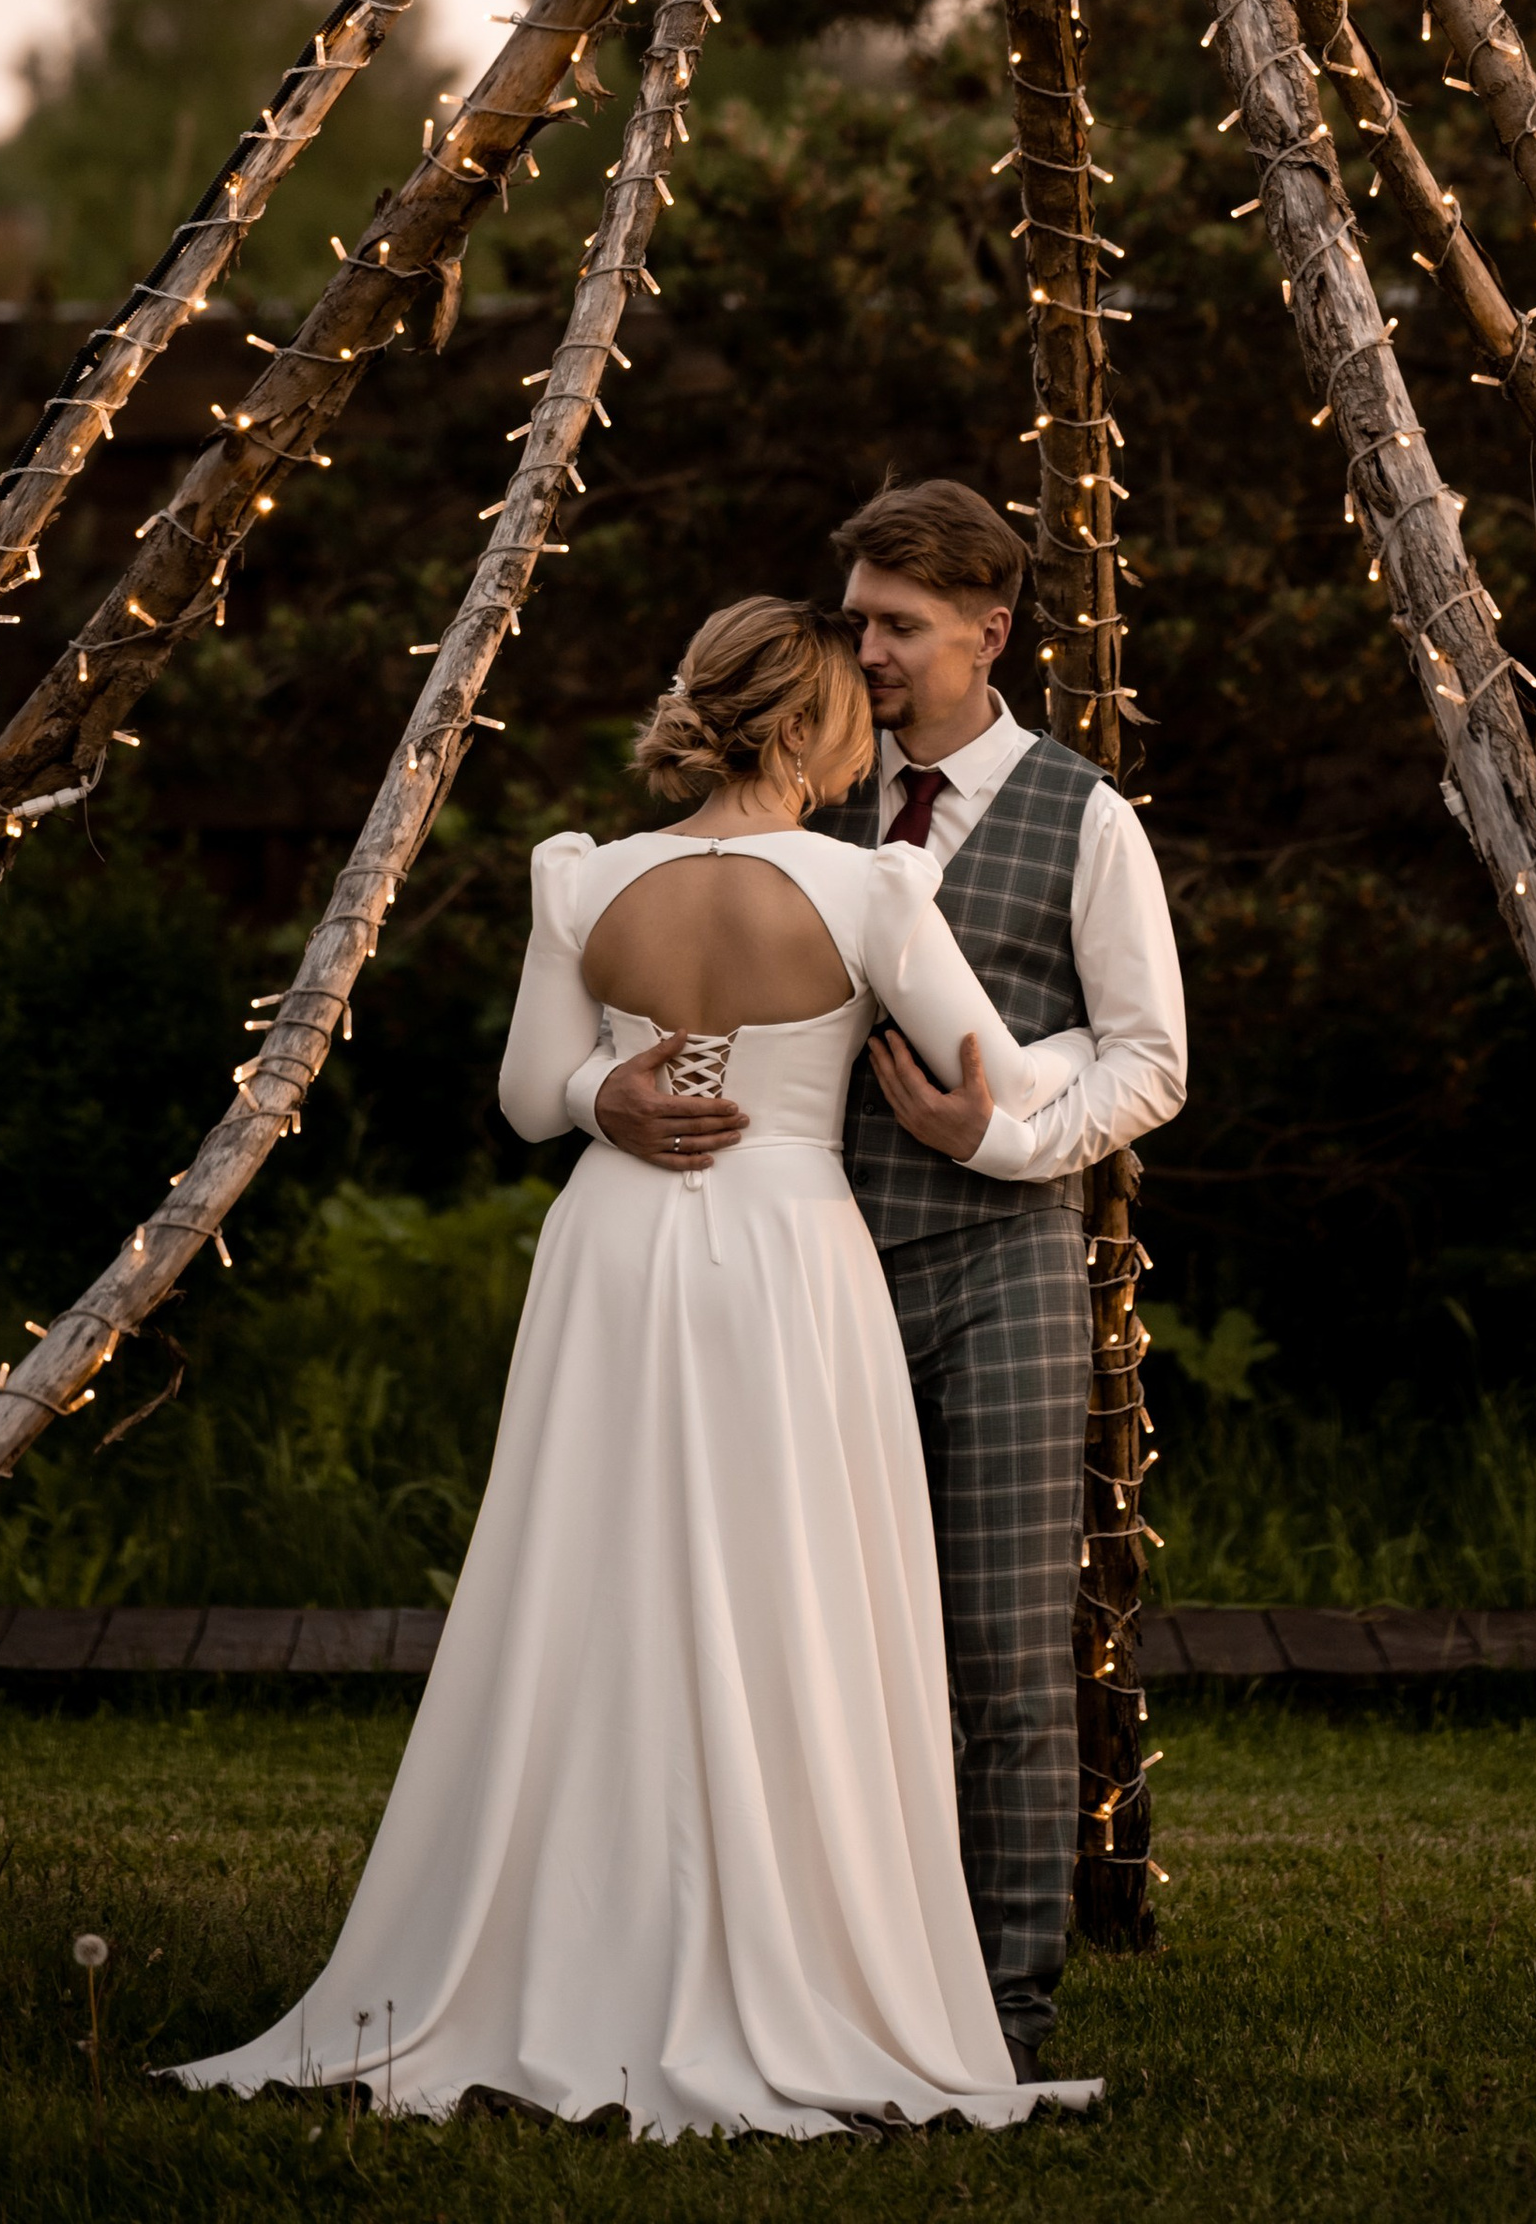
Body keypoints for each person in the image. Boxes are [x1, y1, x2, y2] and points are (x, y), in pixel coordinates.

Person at [175, 595, 1102, 2139]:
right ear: (807, 727)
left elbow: (533, 1098)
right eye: (850, 707)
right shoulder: (875, 886)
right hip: (792, 1254)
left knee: (593, 1580)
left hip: (613, 1253)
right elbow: (982, 1076)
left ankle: (578, 1935)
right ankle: (795, 1944)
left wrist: (617, 1089)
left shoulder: (587, 877)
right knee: (789, 1591)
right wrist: (1078, 1060)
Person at [590, 482, 1186, 2082]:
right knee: (814, 1645)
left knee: (1001, 1656)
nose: (867, 653)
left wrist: (1011, 1128)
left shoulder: (1088, 820)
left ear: (991, 633)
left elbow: (1153, 1060)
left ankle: (1001, 2011)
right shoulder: (810, 798)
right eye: (857, 620)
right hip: (804, 1279)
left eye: (898, 629)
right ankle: (828, 1979)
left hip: (1001, 1275)